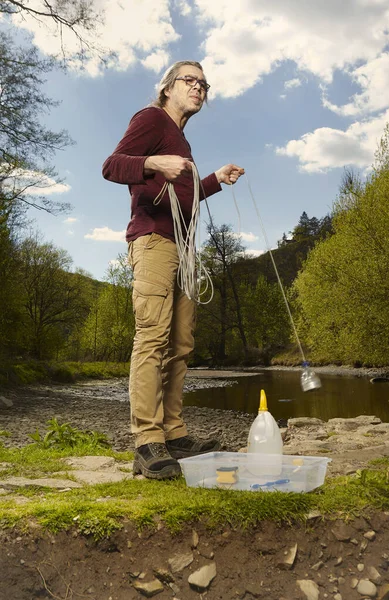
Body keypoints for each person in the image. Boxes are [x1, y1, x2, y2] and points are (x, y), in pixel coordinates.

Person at [102, 60, 244, 479]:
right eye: (190, 80)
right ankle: (147, 441)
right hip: (153, 242)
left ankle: (174, 432)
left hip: (183, 250)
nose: (199, 88)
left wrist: (214, 178)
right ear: (167, 87)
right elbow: (112, 166)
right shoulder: (152, 119)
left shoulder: (180, 138)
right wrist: (153, 164)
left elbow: (186, 197)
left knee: (181, 343)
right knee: (153, 337)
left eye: (204, 84)